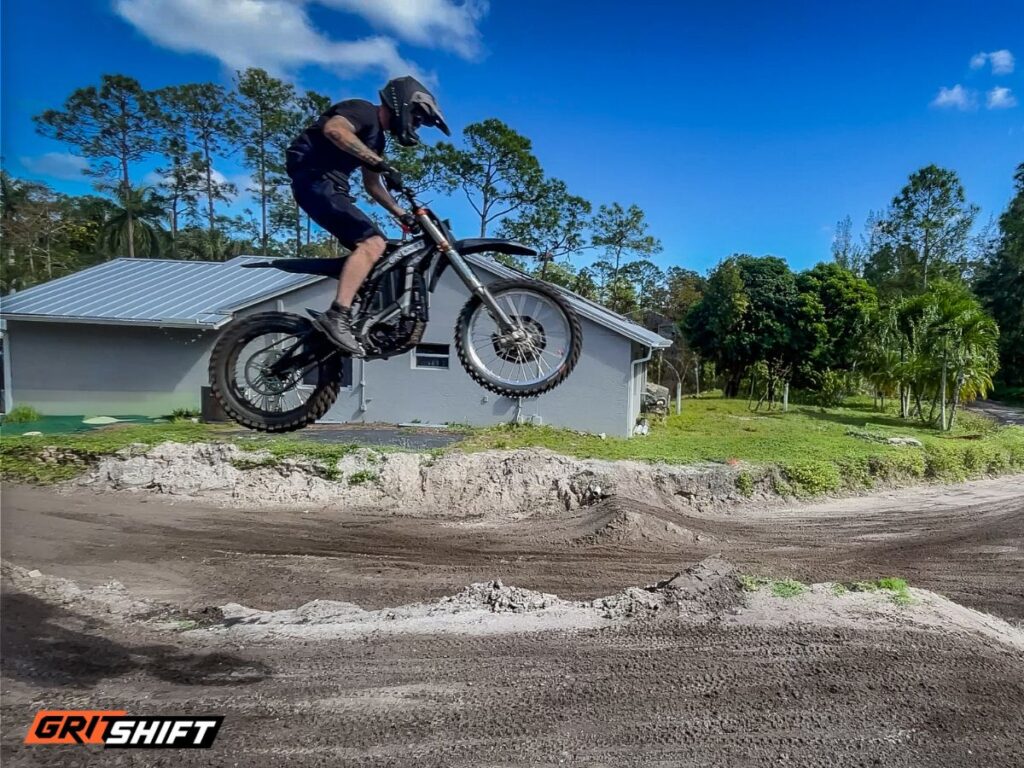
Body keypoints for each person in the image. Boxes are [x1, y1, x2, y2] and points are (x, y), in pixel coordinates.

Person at [285, 76, 450, 356]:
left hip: (330, 188)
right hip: (315, 180)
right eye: (418, 119)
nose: (417, 125)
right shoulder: (362, 111)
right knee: (372, 243)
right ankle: (338, 315)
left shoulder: (377, 141)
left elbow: (372, 185)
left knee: (385, 253)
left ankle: (362, 317)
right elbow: (335, 130)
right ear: (404, 106)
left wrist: (401, 213)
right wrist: (379, 162)